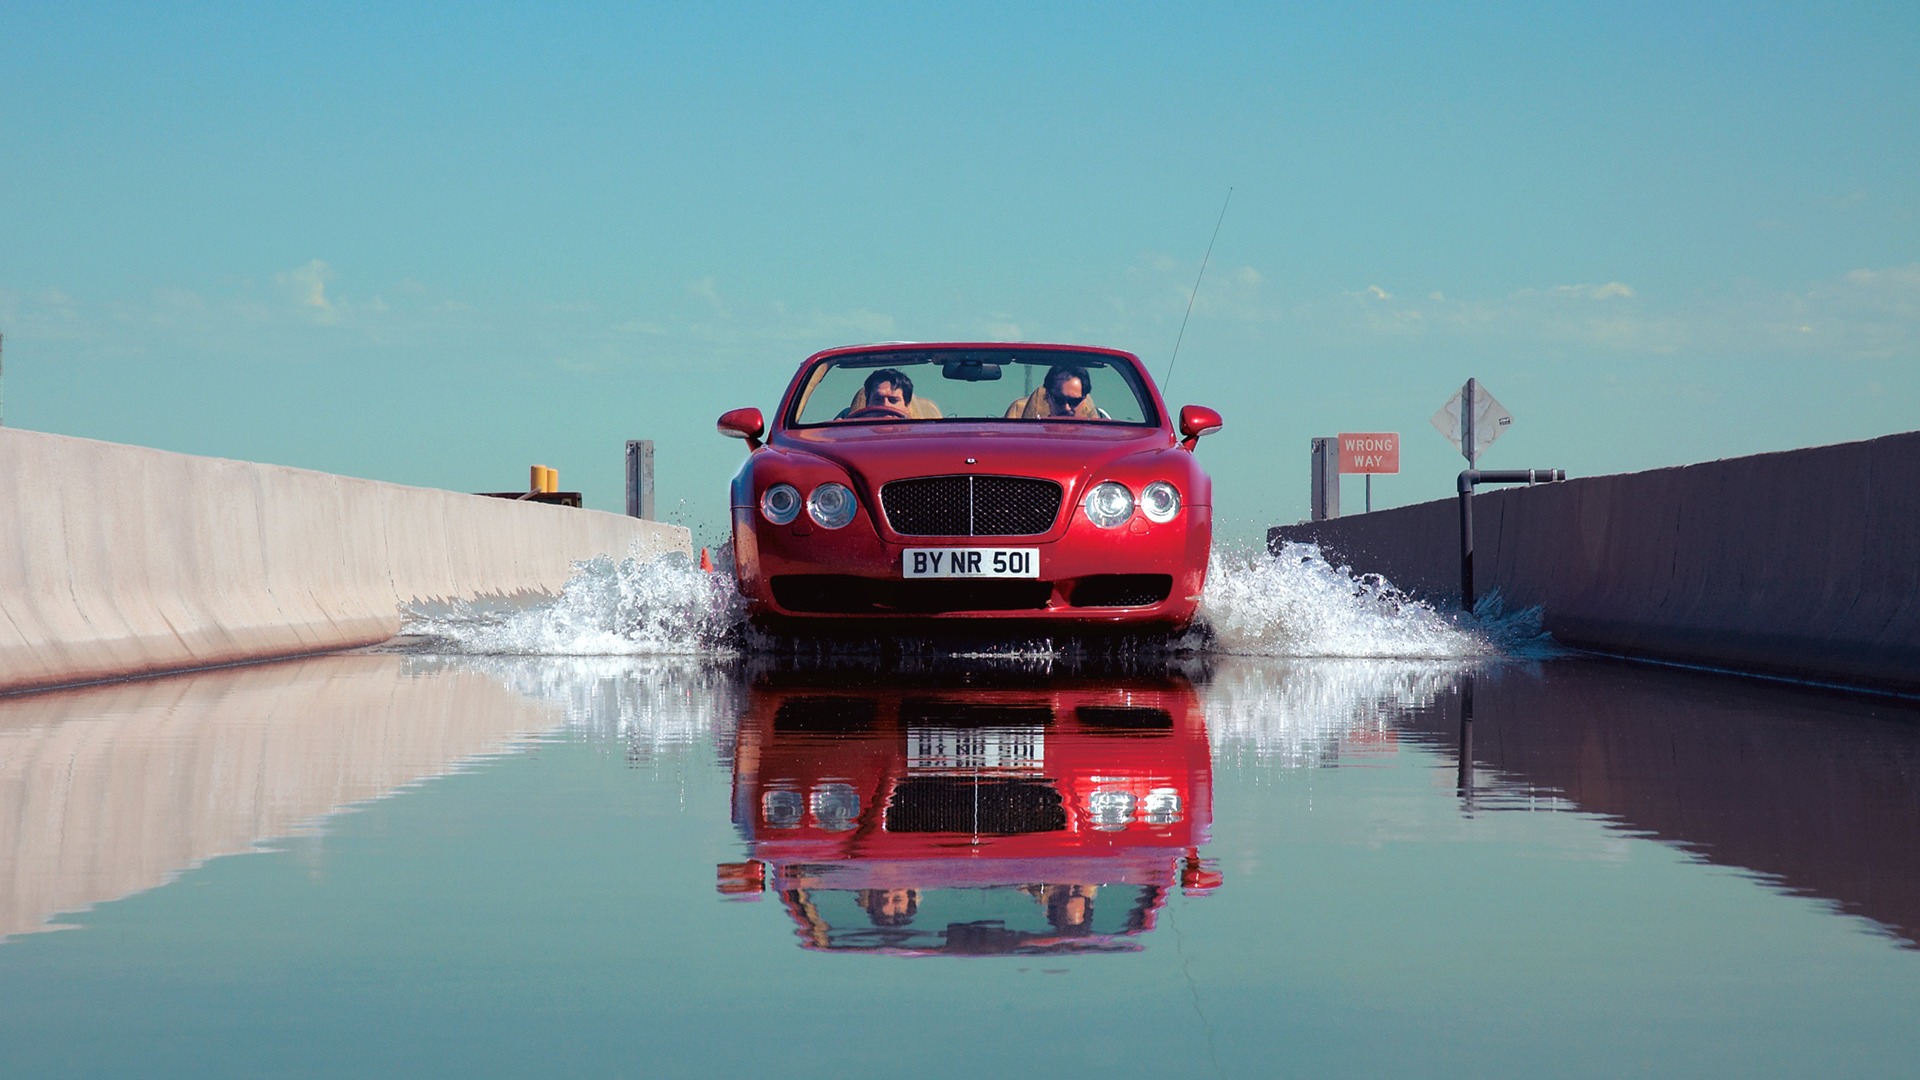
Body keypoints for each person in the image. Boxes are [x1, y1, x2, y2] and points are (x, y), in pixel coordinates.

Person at [1005, 363, 1100, 419]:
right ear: (1047, 397)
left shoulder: (1101, 440)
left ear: (1085, 400)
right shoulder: (1026, 440)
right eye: (1059, 400)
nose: (1066, 408)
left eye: (1074, 401)